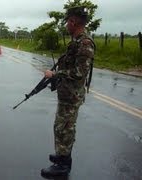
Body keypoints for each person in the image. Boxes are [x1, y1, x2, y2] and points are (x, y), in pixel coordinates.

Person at [41, 6, 95, 178]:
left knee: (65, 128)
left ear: (73, 22)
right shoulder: (76, 42)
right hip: (67, 94)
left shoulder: (85, 43)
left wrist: (56, 74)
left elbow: (80, 73)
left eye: (67, 21)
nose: (65, 24)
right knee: (61, 127)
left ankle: (62, 166)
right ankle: (62, 157)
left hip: (72, 95)